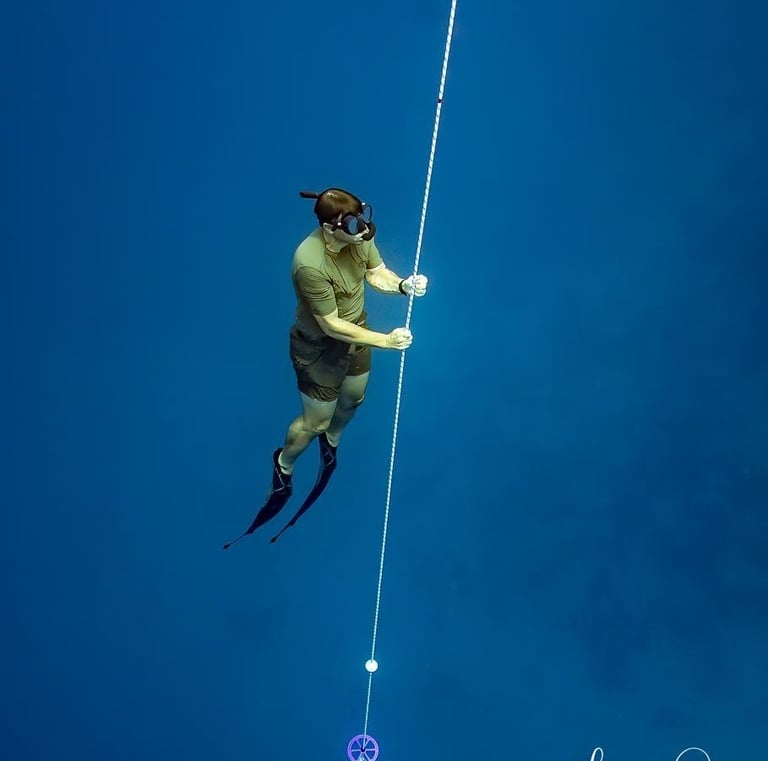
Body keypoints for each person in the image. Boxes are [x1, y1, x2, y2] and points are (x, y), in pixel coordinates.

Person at [224, 187, 428, 548]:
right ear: (330, 227)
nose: (362, 228)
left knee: (353, 399)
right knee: (315, 421)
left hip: (357, 332)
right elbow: (331, 324)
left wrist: (401, 285)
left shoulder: (359, 235)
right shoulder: (309, 263)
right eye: (352, 223)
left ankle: (331, 441)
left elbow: (376, 272)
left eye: (363, 216)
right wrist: (385, 341)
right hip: (318, 348)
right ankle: (284, 465)